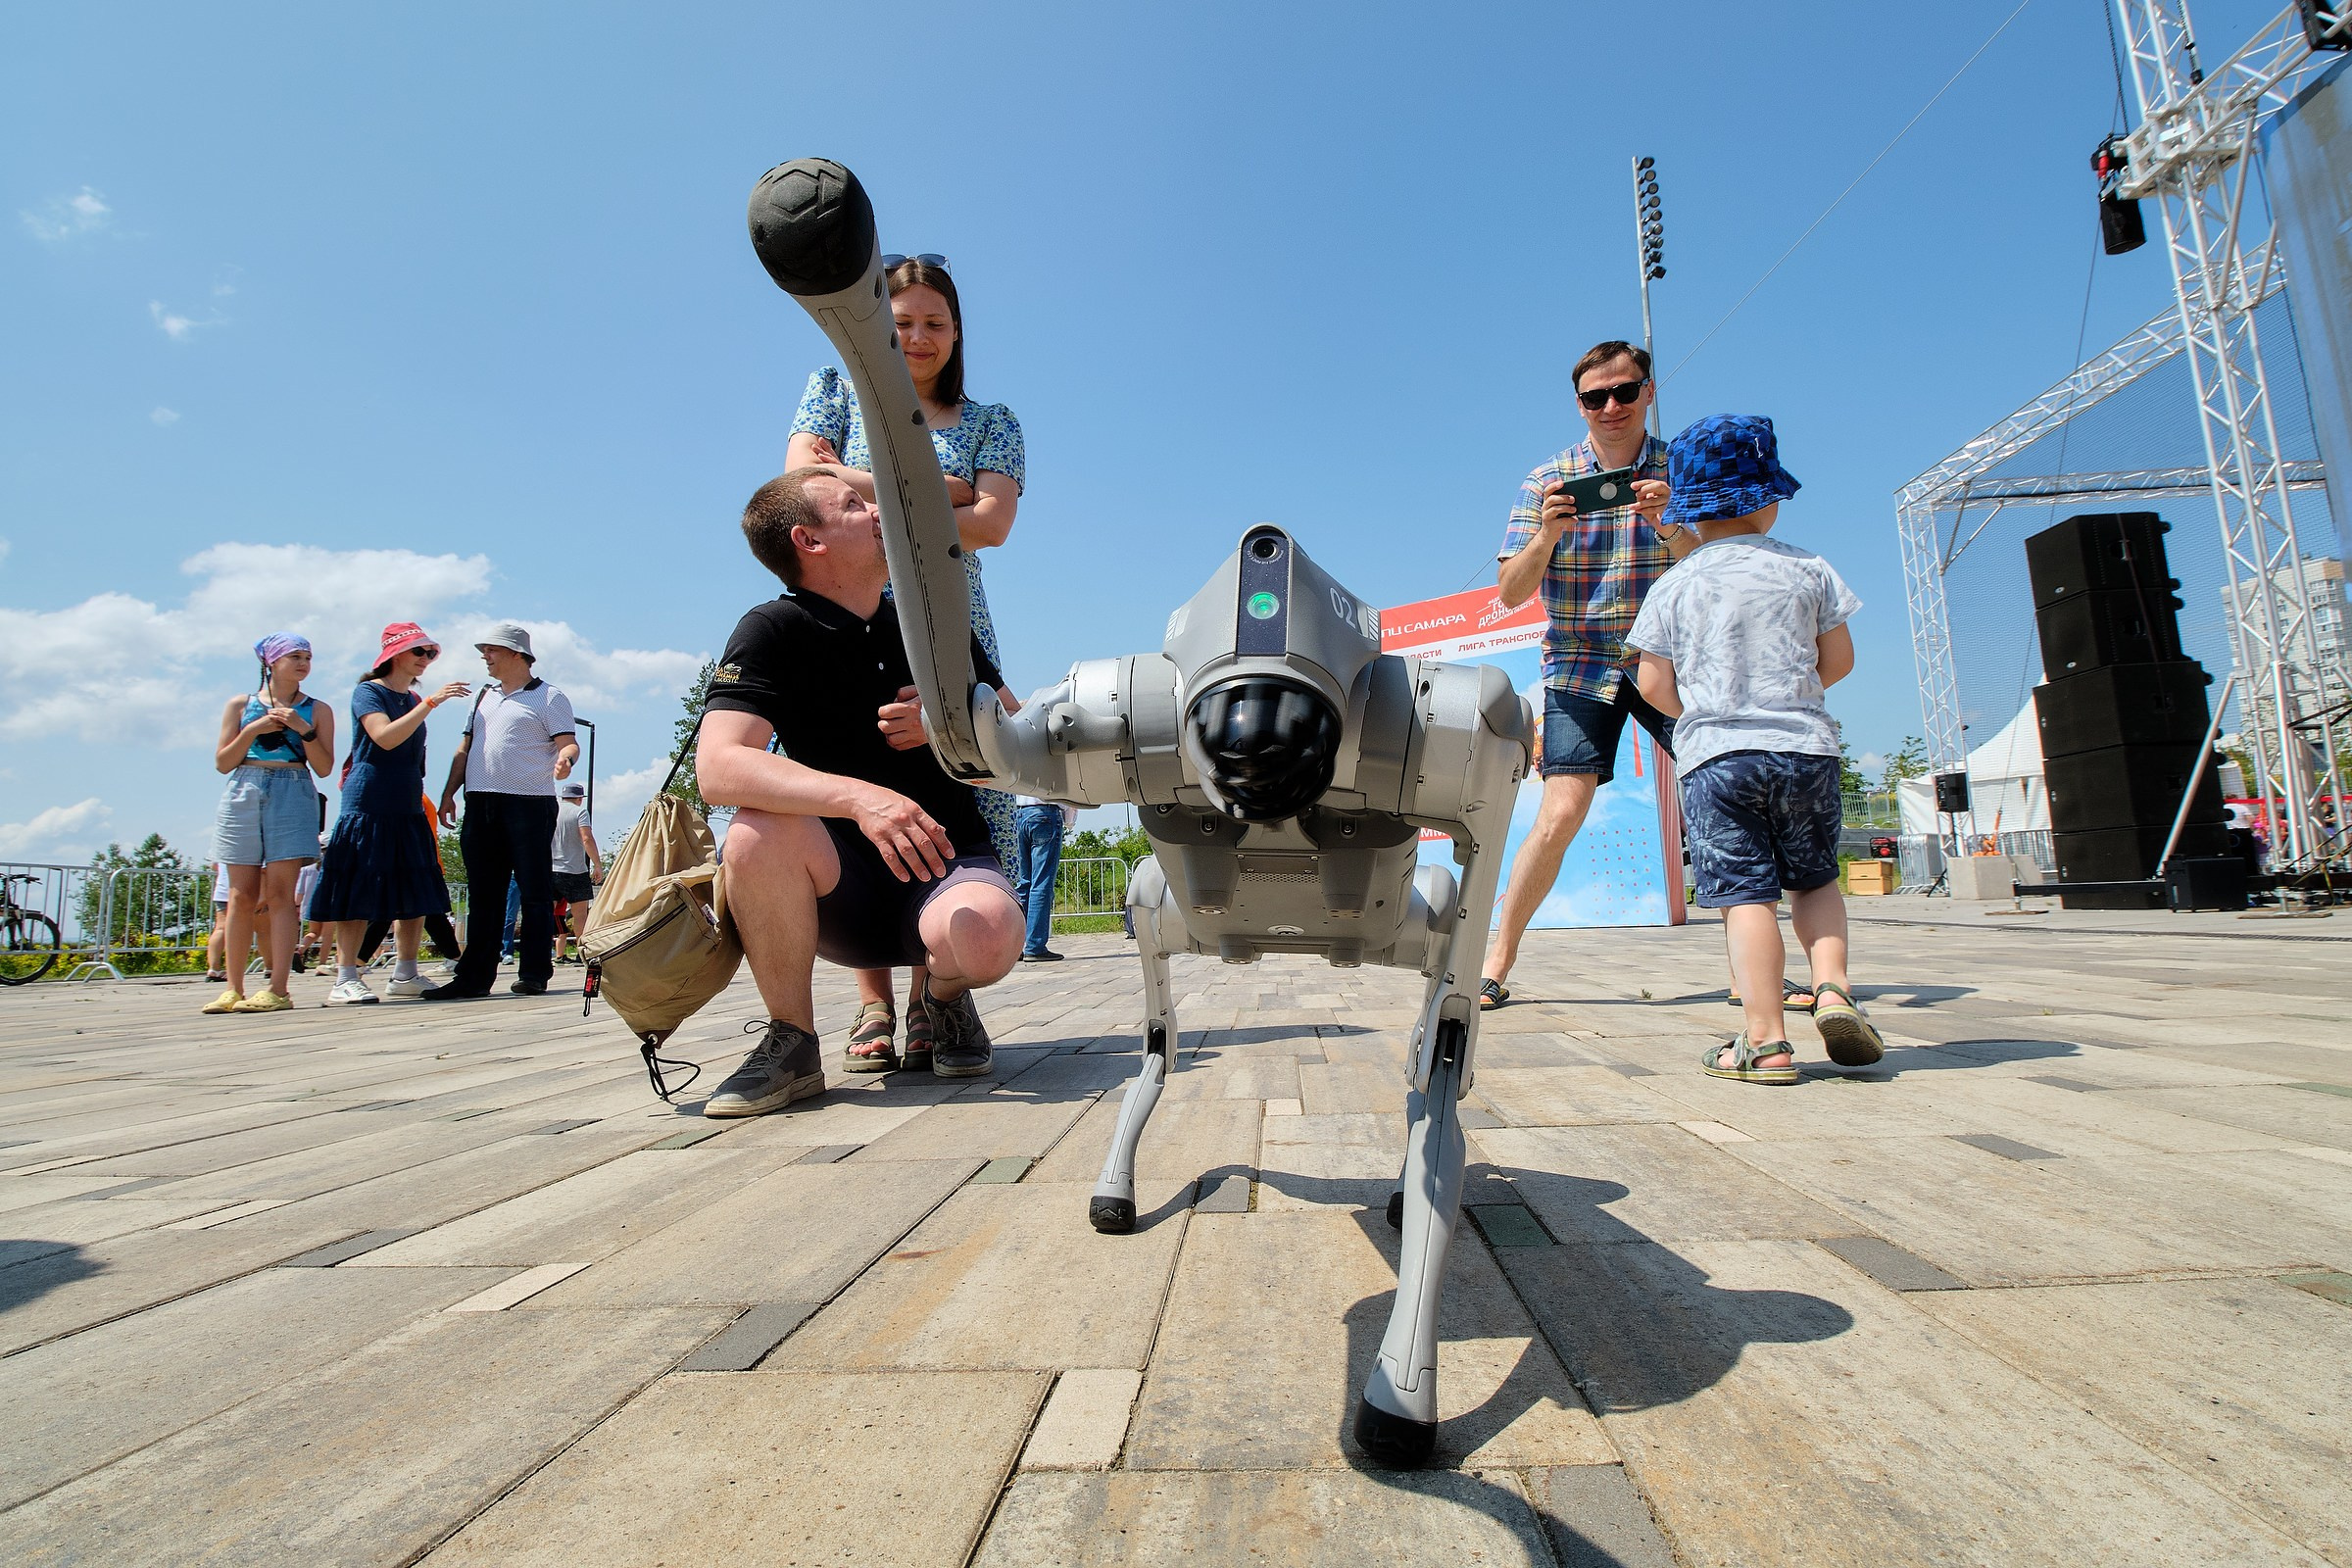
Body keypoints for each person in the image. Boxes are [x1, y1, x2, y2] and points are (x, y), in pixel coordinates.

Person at [695, 467, 1024, 1112]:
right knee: (753, 827)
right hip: (837, 890)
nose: (879, 512)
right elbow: (719, 768)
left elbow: (1024, 753)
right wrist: (858, 798)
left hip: (945, 867)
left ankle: (945, 999)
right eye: (854, 504)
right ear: (809, 541)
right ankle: (791, 1041)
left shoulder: (937, 628)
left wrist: (946, 729)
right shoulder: (771, 630)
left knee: (987, 935)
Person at [785, 254, 1027, 1068]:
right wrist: (943, 490)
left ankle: (938, 993)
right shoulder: (829, 385)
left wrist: (866, 485)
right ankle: (872, 1003)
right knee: (853, 769)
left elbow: (992, 525)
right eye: (901, 323)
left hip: (950, 613)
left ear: (957, 332)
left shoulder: (994, 419)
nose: (917, 337)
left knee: (946, 767)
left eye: (934, 322)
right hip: (845, 604)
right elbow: (798, 489)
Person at [1628, 414, 1883, 1082]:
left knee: (1745, 896)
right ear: (1768, 501)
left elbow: (1652, 682)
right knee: (1815, 879)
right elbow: (1840, 661)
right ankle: (1832, 987)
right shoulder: (1807, 568)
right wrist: (1788, 695)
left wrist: (1707, 714)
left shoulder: (1673, 585)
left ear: (1687, 509)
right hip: (1805, 748)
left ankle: (1766, 1041)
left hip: (1717, 756)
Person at [1478, 340, 1694, 1011]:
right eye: (1595, 397)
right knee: (1561, 810)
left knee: (1726, 792)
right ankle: (1496, 960)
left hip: (1667, 656)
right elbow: (1511, 592)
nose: (1611, 407)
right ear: (1579, 405)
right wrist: (1545, 536)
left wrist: (1669, 524)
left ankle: (1791, 965)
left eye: (1624, 392)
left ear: (1649, 393)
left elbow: (1714, 564)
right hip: (1579, 658)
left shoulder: (1681, 469)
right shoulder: (1546, 480)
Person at [308, 624, 467, 1004]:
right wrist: (430, 704)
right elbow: (384, 737)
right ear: (397, 655)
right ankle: (346, 975)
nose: (426, 660)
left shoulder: (411, 699)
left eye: (431, 654)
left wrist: (440, 797)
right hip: (369, 804)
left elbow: (415, 754)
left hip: (407, 804)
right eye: (420, 653)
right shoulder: (369, 692)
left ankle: (406, 972)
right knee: (360, 888)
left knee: (416, 890)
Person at [428, 623, 577, 1000]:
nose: (485, 657)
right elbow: (465, 749)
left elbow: (569, 743)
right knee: (483, 893)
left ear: (517, 654)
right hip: (481, 803)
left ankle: (534, 972)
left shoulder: (549, 697)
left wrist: (565, 761)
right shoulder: (482, 696)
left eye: (492, 650)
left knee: (535, 890)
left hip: (529, 803)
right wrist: (449, 794)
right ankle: (474, 977)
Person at [204, 633, 335, 1014]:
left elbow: (324, 767)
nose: (303, 663)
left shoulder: (317, 709)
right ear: (271, 662)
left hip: (293, 787)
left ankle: (278, 987)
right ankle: (233, 988)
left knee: (281, 894)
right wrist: (252, 731)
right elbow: (223, 762)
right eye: (294, 656)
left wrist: (301, 728)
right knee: (240, 896)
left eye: (307, 656)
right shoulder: (240, 705)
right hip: (244, 786)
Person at [1011, 796, 1075, 962]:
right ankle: (1035, 946)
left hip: (1019, 814)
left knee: (1023, 884)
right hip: (1045, 812)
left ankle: (1016, 947)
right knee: (1041, 885)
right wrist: (1070, 818)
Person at [550, 779, 601, 961]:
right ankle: (582, 953)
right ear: (579, 798)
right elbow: (586, 838)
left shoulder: (552, 810)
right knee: (580, 915)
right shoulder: (580, 812)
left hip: (551, 868)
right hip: (575, 869)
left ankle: (538, 952)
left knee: (547, 912)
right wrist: (597, 864)